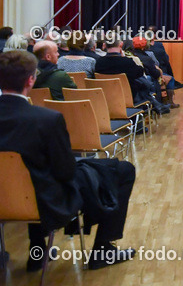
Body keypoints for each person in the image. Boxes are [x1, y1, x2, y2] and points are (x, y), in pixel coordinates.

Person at [0, 51, 136, 269]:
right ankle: (102, 250)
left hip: (7, 198)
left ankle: (38, 250)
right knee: (122, 170)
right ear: (30, 80)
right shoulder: (46, 119)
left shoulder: (42, 118)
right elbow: (65, 172)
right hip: (44, 201)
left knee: (30, 173)